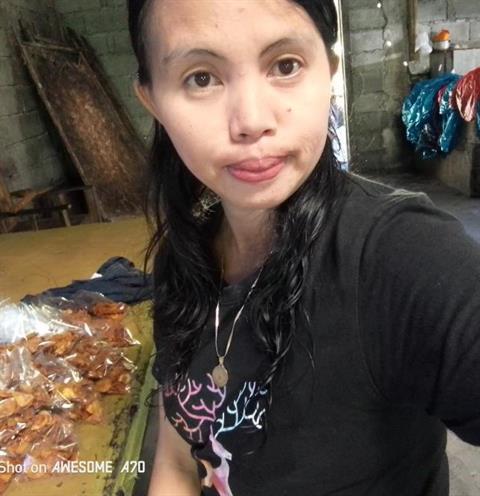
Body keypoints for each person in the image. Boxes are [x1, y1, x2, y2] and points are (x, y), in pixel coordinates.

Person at [128, 1, 480, 495]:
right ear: (153, 102)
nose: (252, 121)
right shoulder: (180, 261)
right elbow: (177, 459)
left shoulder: (403, 257)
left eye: (285, 65)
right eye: (201, 78)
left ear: (328, 74)